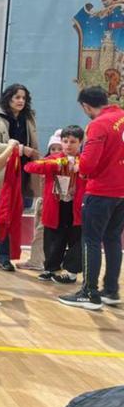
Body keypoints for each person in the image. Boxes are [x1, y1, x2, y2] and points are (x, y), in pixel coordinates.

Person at [59, 87, 124, 309]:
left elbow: (87, 165)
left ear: (86, 106)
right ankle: (111, 291)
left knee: (91, 240)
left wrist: (78, 167)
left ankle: (89, 293)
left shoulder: (98, 124)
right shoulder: (121, 116)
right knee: (113, 239)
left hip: (101, 191)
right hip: (121, 191)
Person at [0, 84, 41, 272]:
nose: (21, 101)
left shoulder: (28, 117)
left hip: (22, 173)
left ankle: (3, 257)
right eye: (17, 97)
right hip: (1, 174)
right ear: (8, 98)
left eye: (23, 98)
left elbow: (34, 144)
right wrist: (20, 149)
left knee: (13, 217)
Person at [24, 126, 85, 284]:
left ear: (80, 142)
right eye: (65, 141)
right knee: (53, 239)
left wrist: (80, 168)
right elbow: (29, 167)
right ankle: (50, 269)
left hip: (77, 207)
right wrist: (57, 164)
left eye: (73, 141)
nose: (68, 145)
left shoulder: (84, 160)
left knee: (76, 240)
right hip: (56, 206)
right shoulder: (54, 159)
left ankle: (71, 273)